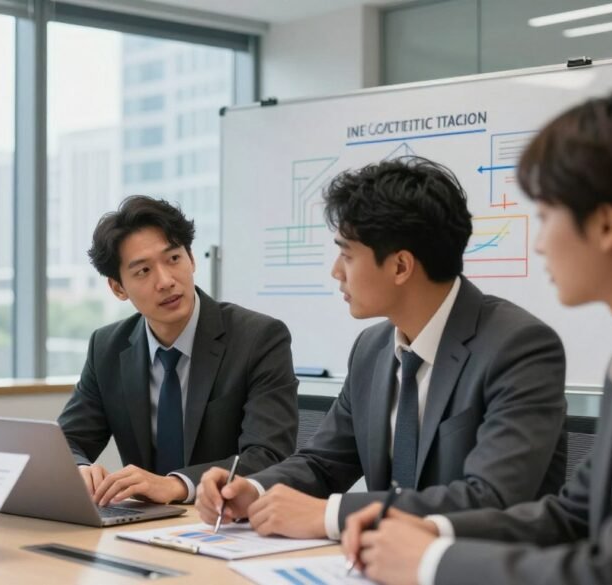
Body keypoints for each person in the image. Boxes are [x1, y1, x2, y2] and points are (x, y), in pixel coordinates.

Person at [342, 90, 612, 585]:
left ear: (605, 224)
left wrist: (428, 562)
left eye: (547, 215)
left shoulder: (528, 345)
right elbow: (570, 516)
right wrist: (428, 528)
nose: (538, 241)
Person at [197, 157, 567, 540]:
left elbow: (491, 497)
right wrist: (253, 489)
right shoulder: (371, 349)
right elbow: (324, 462)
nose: (336, 271)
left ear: (401, 266)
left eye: (347, 254)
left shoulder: (519, 347)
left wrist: (332, 515)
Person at [57, 195, 299, 506]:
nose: (166, 281)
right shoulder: (107, 347)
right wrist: (79, 469)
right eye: (143, 271)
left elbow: (268, 454)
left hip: (227, 522)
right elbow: (67, 439)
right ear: (118, 287)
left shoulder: (259, 338)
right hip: (143, 527)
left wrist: (177, 485)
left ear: (192, 259)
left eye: (173, 259)